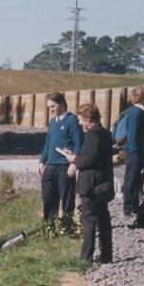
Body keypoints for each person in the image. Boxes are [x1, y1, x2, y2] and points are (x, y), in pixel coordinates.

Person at [62, 104, 114, 264]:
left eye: (81, 120)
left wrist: (74, 160)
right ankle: (106, 255)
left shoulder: (92, 134)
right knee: (103, 219)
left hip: (91, 184)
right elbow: (96, 156)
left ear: (88, 119)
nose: (79, 123)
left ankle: (86, 257)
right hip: (102, 183)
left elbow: (89, 160)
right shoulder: (104, 133)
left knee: (89, 220)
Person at [38, 92, 83, 223]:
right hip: (51, 164)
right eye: (49, 107)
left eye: (53, 106)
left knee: (67, 197)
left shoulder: (72, 120)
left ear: (62, 104)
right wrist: (42, 161)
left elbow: (78, 142)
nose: (50, 110)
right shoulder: (52, 122)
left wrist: (74, 163)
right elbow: (48, 143)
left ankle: (67, 225)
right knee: (48, 196)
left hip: (65, 165)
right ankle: (49, 223)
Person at [118, 87, 144, 216]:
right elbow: (133, 134)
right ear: (141, 97)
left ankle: (134, 204)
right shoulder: (136, 112)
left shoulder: (141, 112)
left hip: (136, 149)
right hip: (134, 150)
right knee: (131, 178)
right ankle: (129, 206)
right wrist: (137, 151)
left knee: (136, 178)